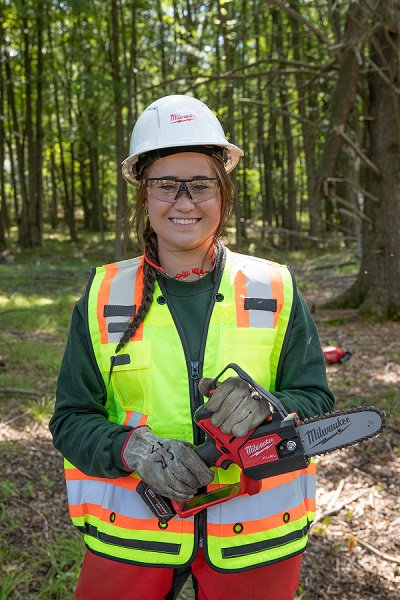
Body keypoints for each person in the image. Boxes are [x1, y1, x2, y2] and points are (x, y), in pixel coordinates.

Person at [49, 94, 335, 600]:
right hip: (133, 532)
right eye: (166, 185)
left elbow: (316, 399)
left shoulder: (274, 286)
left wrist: (271, 411)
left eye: (201, 185)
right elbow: (72, 418)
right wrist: (130, 448)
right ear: (144, 195)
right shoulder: (102, 295)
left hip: (257, 534)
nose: (184, 201)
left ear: (223, 194)